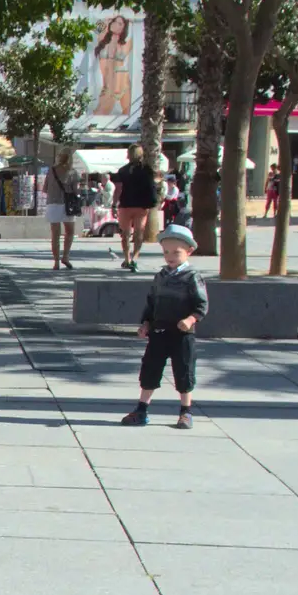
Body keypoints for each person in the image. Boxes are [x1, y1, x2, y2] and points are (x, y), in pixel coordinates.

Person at [121, 223, 208, 431]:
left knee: (184, 371)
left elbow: (201, 304)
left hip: (182, 334)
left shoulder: (192, 277)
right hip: (159, 331)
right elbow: (152, 303)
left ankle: (186, 411)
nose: (170, 256)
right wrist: (146, 323)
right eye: (166, 252)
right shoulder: (160, 277)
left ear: (189, 251)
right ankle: (142, 409)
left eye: (176, 252)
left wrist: (191, 319)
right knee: (150, 369)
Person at [110, 144, 158, 271]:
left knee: (125, 234)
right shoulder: (147, 169)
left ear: (129, 154)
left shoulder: (123, 170)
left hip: (125, 205)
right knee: (139, 232)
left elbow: (118, 189)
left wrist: (114, 204)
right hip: (142, 206)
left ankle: (127, 258)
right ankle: (135, 257)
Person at [43, 148, 81, 270]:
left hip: (52, 205)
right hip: (67, 205)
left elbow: (45, 189)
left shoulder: (51, 170)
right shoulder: (73, 172)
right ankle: (65, 256)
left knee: (55, 235)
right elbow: (76, 191)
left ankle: (56, 262)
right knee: (69, 232)